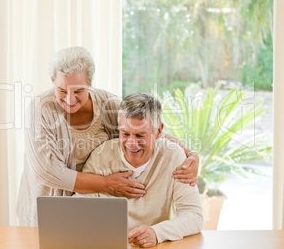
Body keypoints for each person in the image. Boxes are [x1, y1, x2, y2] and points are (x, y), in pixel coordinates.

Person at [16, 46, 200, 226]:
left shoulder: (108, 104)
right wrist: (105, 184)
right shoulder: (40, 110)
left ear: (89, 83)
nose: (70, 99)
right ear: (53, 82)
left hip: (84, 209)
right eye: (62, 90)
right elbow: (50, 172)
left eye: (78, 91)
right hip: (45, 208)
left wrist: (188, 152)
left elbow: (144, 127)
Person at [77, 93, 203, 248]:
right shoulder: (100, 156)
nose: (131, 143)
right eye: (125, 133)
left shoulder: (173, 157)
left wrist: (157, 233)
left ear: (158, 132)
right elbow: (79, 213)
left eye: (140, 135)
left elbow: (194, 216)